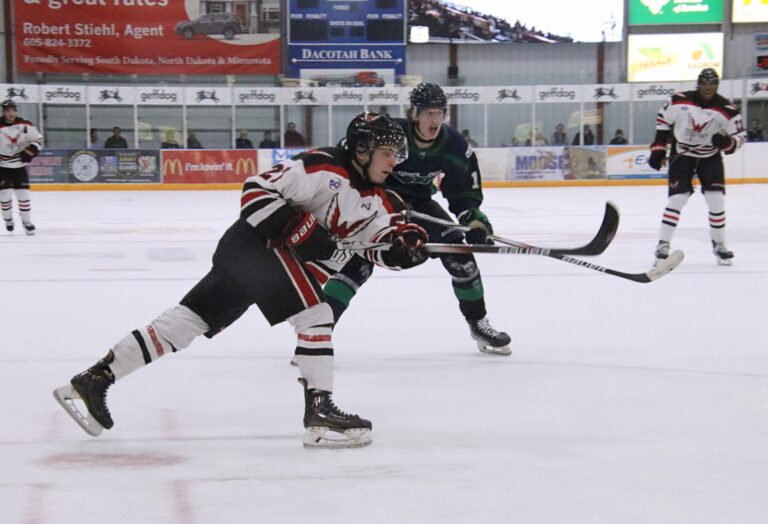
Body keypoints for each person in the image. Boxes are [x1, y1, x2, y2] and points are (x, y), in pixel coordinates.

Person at [52, 112, 429, 449]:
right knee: (315, 315)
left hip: (256, 260)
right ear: (362, 150)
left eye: (397, 154)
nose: (394, 161)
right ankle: (320, 408)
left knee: (187, 322)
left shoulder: (380, 201)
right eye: (387, 152)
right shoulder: (322, 168)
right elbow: (255, 191)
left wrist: (400, 251)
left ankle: (95, 378)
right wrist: (301, 230)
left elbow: (373, 246)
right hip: (253, 247)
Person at [322, 83, 511, 356]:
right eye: (429, 113)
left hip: (420, 206)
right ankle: (316, 335)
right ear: (415, 114)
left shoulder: (455, 145)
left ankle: (478, 323)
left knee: (460, 257)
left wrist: (474, 221)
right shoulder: (390, 134)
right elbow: (352, 160)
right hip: (380, 203)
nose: (434, 120)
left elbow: (463, 191)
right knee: (359, 262)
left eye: (439, 113)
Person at [648, 68, 745, 267]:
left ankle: (719, 244)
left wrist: (726, 142)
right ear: (698, 84)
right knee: (677, 199)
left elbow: (740, 136)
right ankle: (663, 245)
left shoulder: (727, 109)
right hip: (682, 155)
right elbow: (663, 121)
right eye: (705, 83)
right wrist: (658, 149)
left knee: (716, 201)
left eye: (713, 84)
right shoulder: (679, 100)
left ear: (717, 86)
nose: (709, 87)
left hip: (710, 157)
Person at [0, 100, 42, 235]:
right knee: (5, 195)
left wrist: (31, 151)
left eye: (12, 110)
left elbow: (38, 139)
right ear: (4, 112)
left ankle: (27, 222)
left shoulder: (26, 124)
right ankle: (8, 220)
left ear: (15, 111)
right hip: (2, 166)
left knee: (23, 195)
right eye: (7, 110)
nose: (10, 113)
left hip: (19, 165)